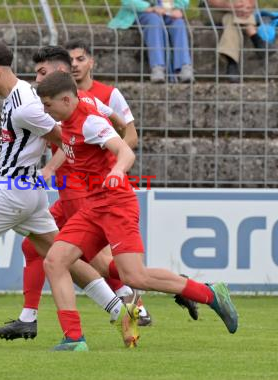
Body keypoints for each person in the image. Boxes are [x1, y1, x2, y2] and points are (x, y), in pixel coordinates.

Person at [0, 40, 135, 348]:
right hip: (29, 194)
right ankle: (119, 310)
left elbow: (68, 137)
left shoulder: (25, 105)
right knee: (64, 260)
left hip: (14, 193)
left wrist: (94, 166)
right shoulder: (20, 95)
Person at [37, 71, 238, 351]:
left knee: (134, 277)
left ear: (67, 99)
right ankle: (74, 339)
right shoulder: (83, 104)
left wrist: (117, 170)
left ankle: (211, 293)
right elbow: (116, 120)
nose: (45, 111)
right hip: (93, 205)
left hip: (116, 204)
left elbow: (126, 151)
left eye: (48, 105)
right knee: (55, 260)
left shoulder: (91, 122)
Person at [66, 38, 199, 323]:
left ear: (91, 62)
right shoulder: (59, 98)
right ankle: (159, 290)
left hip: (101, 187)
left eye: (80, 59)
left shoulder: (108, 94)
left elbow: (131, 135)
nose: (75, 65)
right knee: (60, 252)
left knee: (89, 257)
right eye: (70, 61)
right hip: (71, 184)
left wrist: (114, 162)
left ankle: (134, 305)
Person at [108, 0, 194, 83]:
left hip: (168, 11)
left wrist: (176, 8)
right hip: (142, 12)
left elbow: (183, 1)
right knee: (154, 20)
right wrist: (151, 8)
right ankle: (157, 68)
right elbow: (127, 1)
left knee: (178, 23)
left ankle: (184, 67)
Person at [202, 0, 271, 83]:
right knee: (233, 16)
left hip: (237, 11)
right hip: (214, 9)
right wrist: (230, 6)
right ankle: (256, 39)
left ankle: (232, 63)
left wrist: (248, 6)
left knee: (231, 18)